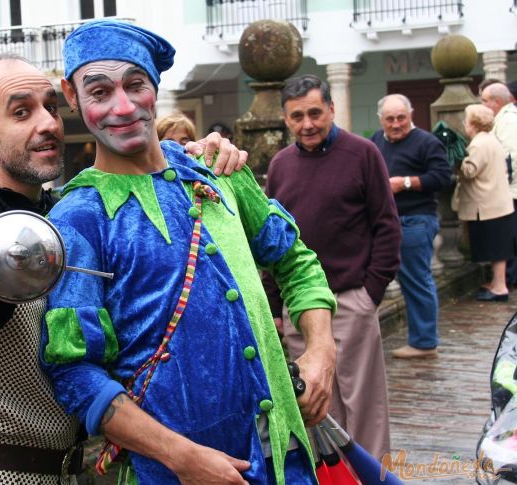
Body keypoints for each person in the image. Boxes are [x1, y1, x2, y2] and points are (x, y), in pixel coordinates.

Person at [0, 52, 248, 484]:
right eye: (21, 112)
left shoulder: (66, 214)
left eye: (51, 107)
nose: (48, 124)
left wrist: (190, 160)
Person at [41, 20, 337, 485]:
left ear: (154, 87)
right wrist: (181, 457)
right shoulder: (79, 219)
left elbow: (296, 260)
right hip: (171, 474)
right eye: (99, 92)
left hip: (286, 457)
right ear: (72, 97)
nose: (123, 107)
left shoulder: (218, 170)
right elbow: (74, 372)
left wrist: (321, 351)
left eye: (135, 85)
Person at [264, 74, 401, 461]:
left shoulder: (363, 154)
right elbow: (272, 242)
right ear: (285, 119)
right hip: (299, 310)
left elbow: (387, 226)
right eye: (297, 116)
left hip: (351, 300)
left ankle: (372, 475)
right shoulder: (280, 166)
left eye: (314, 113)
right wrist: (275, 308)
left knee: (366, 408)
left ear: (331, 109)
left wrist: (370, 293)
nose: (307, 124)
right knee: (315, 407)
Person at [370, 94, 451, 359]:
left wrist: (404, 183)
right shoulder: (375, 141)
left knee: (417, 280)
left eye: (401, 118)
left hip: (416, 219)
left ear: (411, 115)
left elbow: (442, 177)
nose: (396, 124)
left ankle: (425, 342)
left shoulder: (427, 142)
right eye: (390, 119)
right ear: (381, 119)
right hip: (384, 221)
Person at [456, 104, 516, 301]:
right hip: (497, 202)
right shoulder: (491, 140)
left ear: (473, 123)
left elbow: (470, 171)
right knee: (499, 247)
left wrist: (457, 160)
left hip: (488, 204)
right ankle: (497, 284)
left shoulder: (479, 144)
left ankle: (499, 287)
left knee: (497, 248)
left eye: (466, 120)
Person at [481, 83, 517, 286]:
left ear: (497, 102)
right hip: (510, 189)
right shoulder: (504, 119)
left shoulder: (508, 121)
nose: (483, 104)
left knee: (511, 235)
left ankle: (511, 277)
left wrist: (505, 185)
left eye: (485, 100)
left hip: (511, 191)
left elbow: (512, 156)